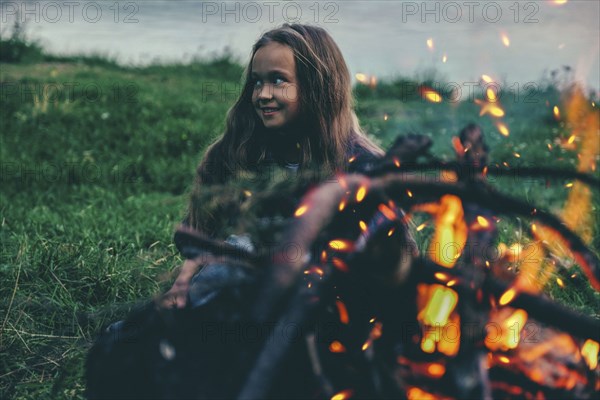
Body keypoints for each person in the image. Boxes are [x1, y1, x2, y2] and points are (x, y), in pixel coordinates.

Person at [164, 23, 384, 308]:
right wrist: (181, 286)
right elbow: (203, 235)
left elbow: (391, 262)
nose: (263, 94)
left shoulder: (361, 165)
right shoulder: (238, 149)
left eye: (279, 81)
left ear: (316, 86)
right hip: (230, 288)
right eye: (257, 81)